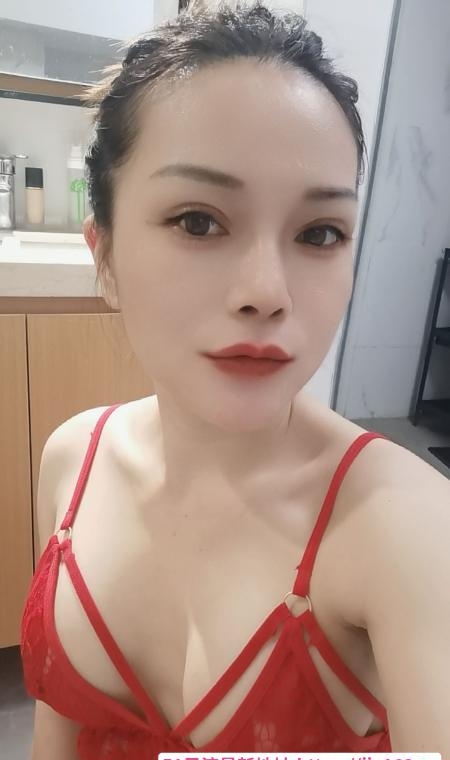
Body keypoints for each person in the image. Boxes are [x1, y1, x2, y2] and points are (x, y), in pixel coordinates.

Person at [20, 2, 450, 758]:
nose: (267, 291)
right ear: (104, 254)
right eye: (198, 220)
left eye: (320, 233)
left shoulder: (407, 527)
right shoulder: (71, 463)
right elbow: (58, 727)